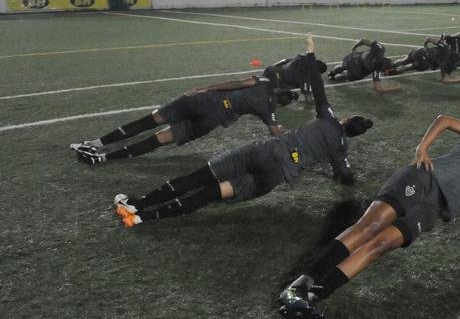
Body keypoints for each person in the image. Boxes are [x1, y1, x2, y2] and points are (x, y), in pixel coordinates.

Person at [278, 115, 460, 319]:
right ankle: (299, 285)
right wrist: (423, 148)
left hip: (431, 210)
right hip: (423, 179)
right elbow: (444, 120)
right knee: (370, 227)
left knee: (380, 246)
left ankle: (313, 296)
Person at [111, 53, 372, 227]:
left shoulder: (328, 118)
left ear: (346, 121)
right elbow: (344, 174)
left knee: (199, 178)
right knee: (210, 194)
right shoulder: (341, 148)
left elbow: (318, 87)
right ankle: (142, 217)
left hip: (264, 153)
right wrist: (344, 174)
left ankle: (137, 203)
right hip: (274, 175)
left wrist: (312, 56)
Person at [70, 33, 307, 163]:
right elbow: (277, 132)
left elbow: (235, 83)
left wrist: (204, 88)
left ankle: (95, 143)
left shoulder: (264, 82)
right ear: (281, 100)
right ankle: (105, 158)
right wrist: (292, 138)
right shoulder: (269, 110)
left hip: (203, 100)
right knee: (160, 138)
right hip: (211, 118)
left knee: (151, 120)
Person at [328, 39, 402, 94]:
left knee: (342, 66)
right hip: (357, 72)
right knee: (346, 76)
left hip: (354, 58)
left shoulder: (380, 49)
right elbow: (378, 89)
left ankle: (331, 73)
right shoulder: (377, 69)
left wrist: (354, 48)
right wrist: (395, 87)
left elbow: (362, 41)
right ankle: (335, 78)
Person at [390, 35, 460, 84]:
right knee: (409, 67)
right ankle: (392, 71)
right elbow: (445, 80)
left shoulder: (445, 47)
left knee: (404, 61)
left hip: (419, 52)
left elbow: (428, 38)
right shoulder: (444, 63)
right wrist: (458, 79)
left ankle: (391, 65)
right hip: (423, 61)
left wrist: (425, 46)